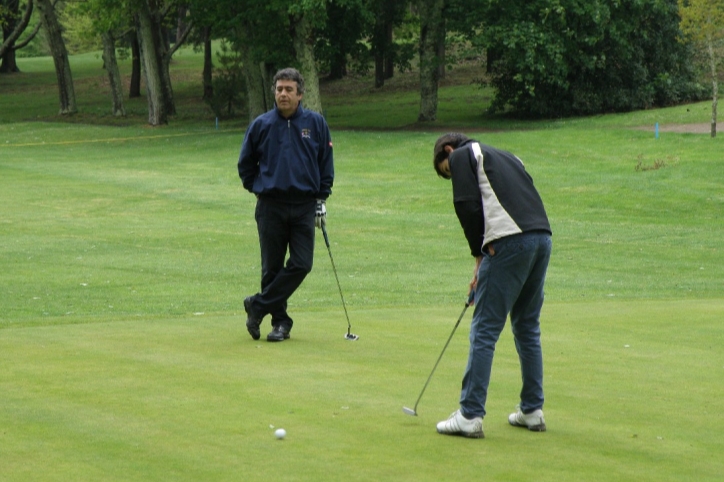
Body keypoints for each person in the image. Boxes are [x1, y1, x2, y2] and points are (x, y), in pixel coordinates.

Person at [431, 133, 552, 438]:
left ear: (448, 150)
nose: (452, 175)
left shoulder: (461, 155)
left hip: (509, 240)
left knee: (484, 328)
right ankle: (531, 410)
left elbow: (467, 206)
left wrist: (479, 257)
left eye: (446, 171)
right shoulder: (508, 155)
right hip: (542, 238)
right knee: (526, 325)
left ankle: (470, 415)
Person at [238, 67, 334, 342]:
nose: (283, 94)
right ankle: (280, 323)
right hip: (271, 205)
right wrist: (257, 188)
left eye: (289, 89)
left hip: (304, 204)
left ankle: (256, 305)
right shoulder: (262, 125)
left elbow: (325, 162)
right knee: (271, 267)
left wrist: (322, 196)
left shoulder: (315, 124)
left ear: (300, 94)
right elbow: (245, 164)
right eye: (279, 89)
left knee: (302, 263)